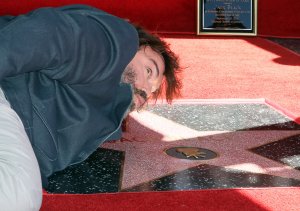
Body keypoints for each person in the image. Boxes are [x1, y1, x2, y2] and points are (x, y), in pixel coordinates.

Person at [0, 4, 182, 211]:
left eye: (151, 91)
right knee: (18, 193)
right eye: (149, 70)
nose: (145, 90)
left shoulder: (107, 111)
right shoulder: (113, 42)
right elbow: (46, 34)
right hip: (7, 96)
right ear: (135, 47)